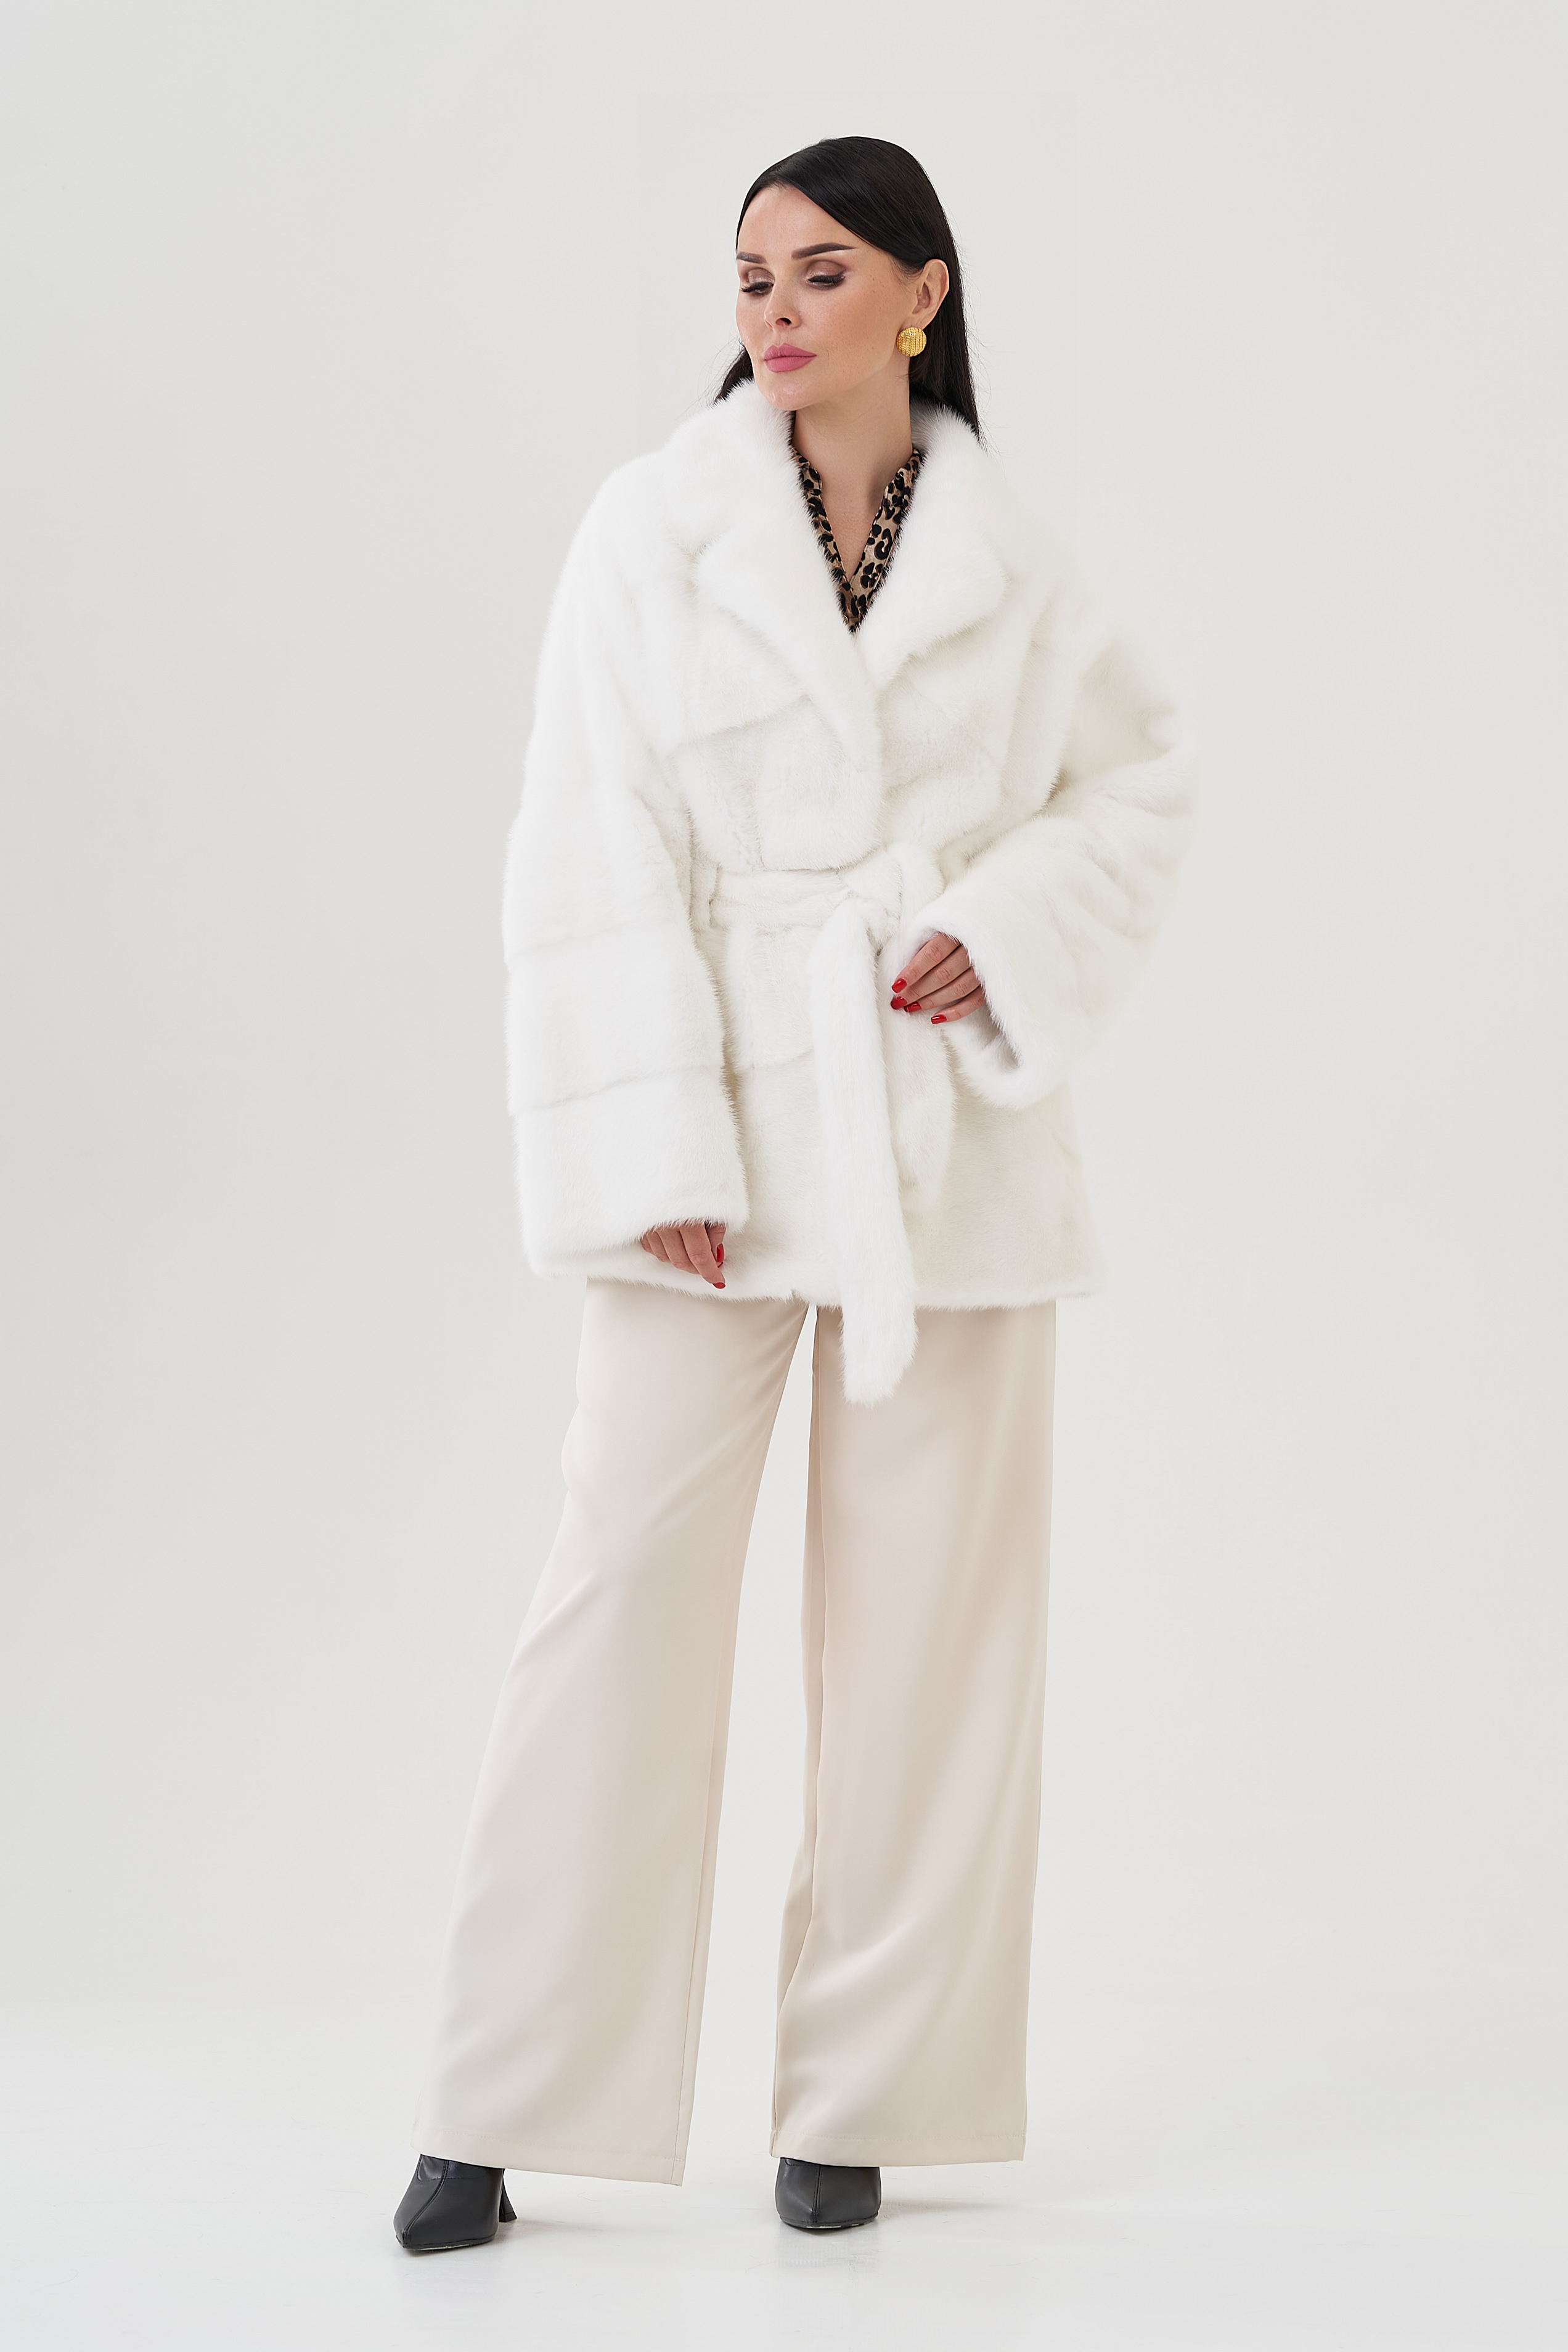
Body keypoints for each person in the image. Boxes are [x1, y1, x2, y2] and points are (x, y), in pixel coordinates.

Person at [394, 134, 1194, 2254]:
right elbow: (587, 839)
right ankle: (502, 2098)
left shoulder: (1018, 559)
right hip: (721, 1119)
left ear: (925, 293)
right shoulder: (651, 530)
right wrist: (654, 1146)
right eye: (751, 273)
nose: (775, 308)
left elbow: (1140, 781)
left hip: (947, 1132)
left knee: (936, 1632)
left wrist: (1000, 933)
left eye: (823, 271)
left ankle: (862, 2100)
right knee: (619, 1587)